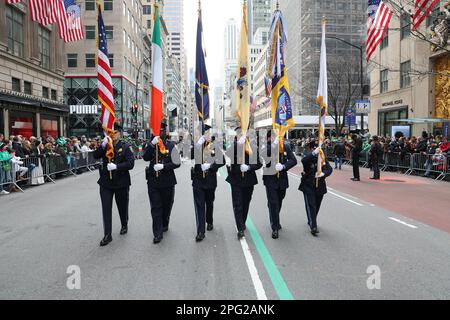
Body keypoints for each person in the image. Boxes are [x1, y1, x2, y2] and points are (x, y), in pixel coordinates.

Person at [93, 122, 135, 247]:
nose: (113, 134)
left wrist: (117, 166)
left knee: (122, 206)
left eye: (115, 132)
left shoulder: (126, 146)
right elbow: (95, 156)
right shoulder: (106, 145)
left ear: (119, 133)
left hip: (121, 181)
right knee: (106, 208)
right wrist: (102, 145)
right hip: (106, 182)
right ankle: (107, 234)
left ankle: (124, 223)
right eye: (110, 131)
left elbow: (131, 163)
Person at [143, 122, 181, 244]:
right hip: (153, 181)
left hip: (167, 182)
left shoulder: (171, 146)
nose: (160, 132)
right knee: (155, 208)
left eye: (162, 130)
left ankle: (165, 222)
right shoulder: (151, 144)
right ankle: (157, 233)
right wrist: (151, 145)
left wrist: (164, 166)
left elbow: (177, 163)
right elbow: (145, 157)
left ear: (166, 132)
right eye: (158, 130)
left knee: (167, 205)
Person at [226, 129, 262, 240]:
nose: (241, 136)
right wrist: (238, 144)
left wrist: (249, 167)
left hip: (249, 180)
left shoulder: (252, 147)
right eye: (239, 134)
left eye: (243, 134)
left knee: (246, 203)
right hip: (236, 179)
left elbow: (259, 163)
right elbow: (228, 153)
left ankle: (242, 222)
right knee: (238, 204)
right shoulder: (234, 146)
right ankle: (240, 228)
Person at [262, 132, 298, 239]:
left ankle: (275, 218)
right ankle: (275, 228)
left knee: (279, 201)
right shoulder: (266, 146)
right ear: (269, 138)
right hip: (270, 179)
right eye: (272, 137)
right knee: (273, 203)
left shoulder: (285, 146)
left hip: (282, 180)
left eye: (276, 137)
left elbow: (294, 160)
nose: (274, 138)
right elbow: (264, 154)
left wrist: (283, 166)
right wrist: (273, 146)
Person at [191, 132, 225, 242]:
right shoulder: (197, 145)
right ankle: (201, 231)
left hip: (210, 180)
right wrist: (197, 145)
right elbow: (189, 155)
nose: (206, 136)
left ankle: (209, 221)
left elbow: (222, 161)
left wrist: (211, 166)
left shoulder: (215, 146)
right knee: (199, 205)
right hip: (198, 180)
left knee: (209, 203)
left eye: (207, 134)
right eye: (203, 134)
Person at [299, 141, 333, 236]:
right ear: (310, 148)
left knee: (317, 205)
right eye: (313, 148)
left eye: (316, 148)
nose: (315, 149)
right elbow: (304, 161)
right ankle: (313, 226)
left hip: (320, 186)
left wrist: (324, 174)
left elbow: (329, 169)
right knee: (311, 205)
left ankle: (312, 219)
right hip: (308, 185)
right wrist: (313, 154)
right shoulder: (307, 155)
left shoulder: (322, 158)